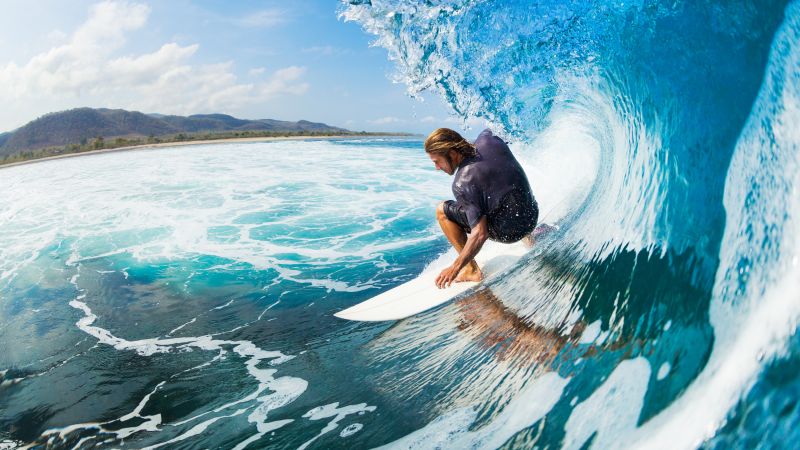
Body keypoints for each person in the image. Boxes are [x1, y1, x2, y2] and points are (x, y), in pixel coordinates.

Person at [425, 127, 540, 289]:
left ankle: (471, 270)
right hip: (531, 217)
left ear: (451, 153)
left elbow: (480, 233)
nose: (437, 167)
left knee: (441, 210)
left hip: (510, 234)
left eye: (437, 161)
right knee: (498, 190)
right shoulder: (489, 139)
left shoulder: (462, 183)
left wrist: (454, 267)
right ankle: (531, 237)